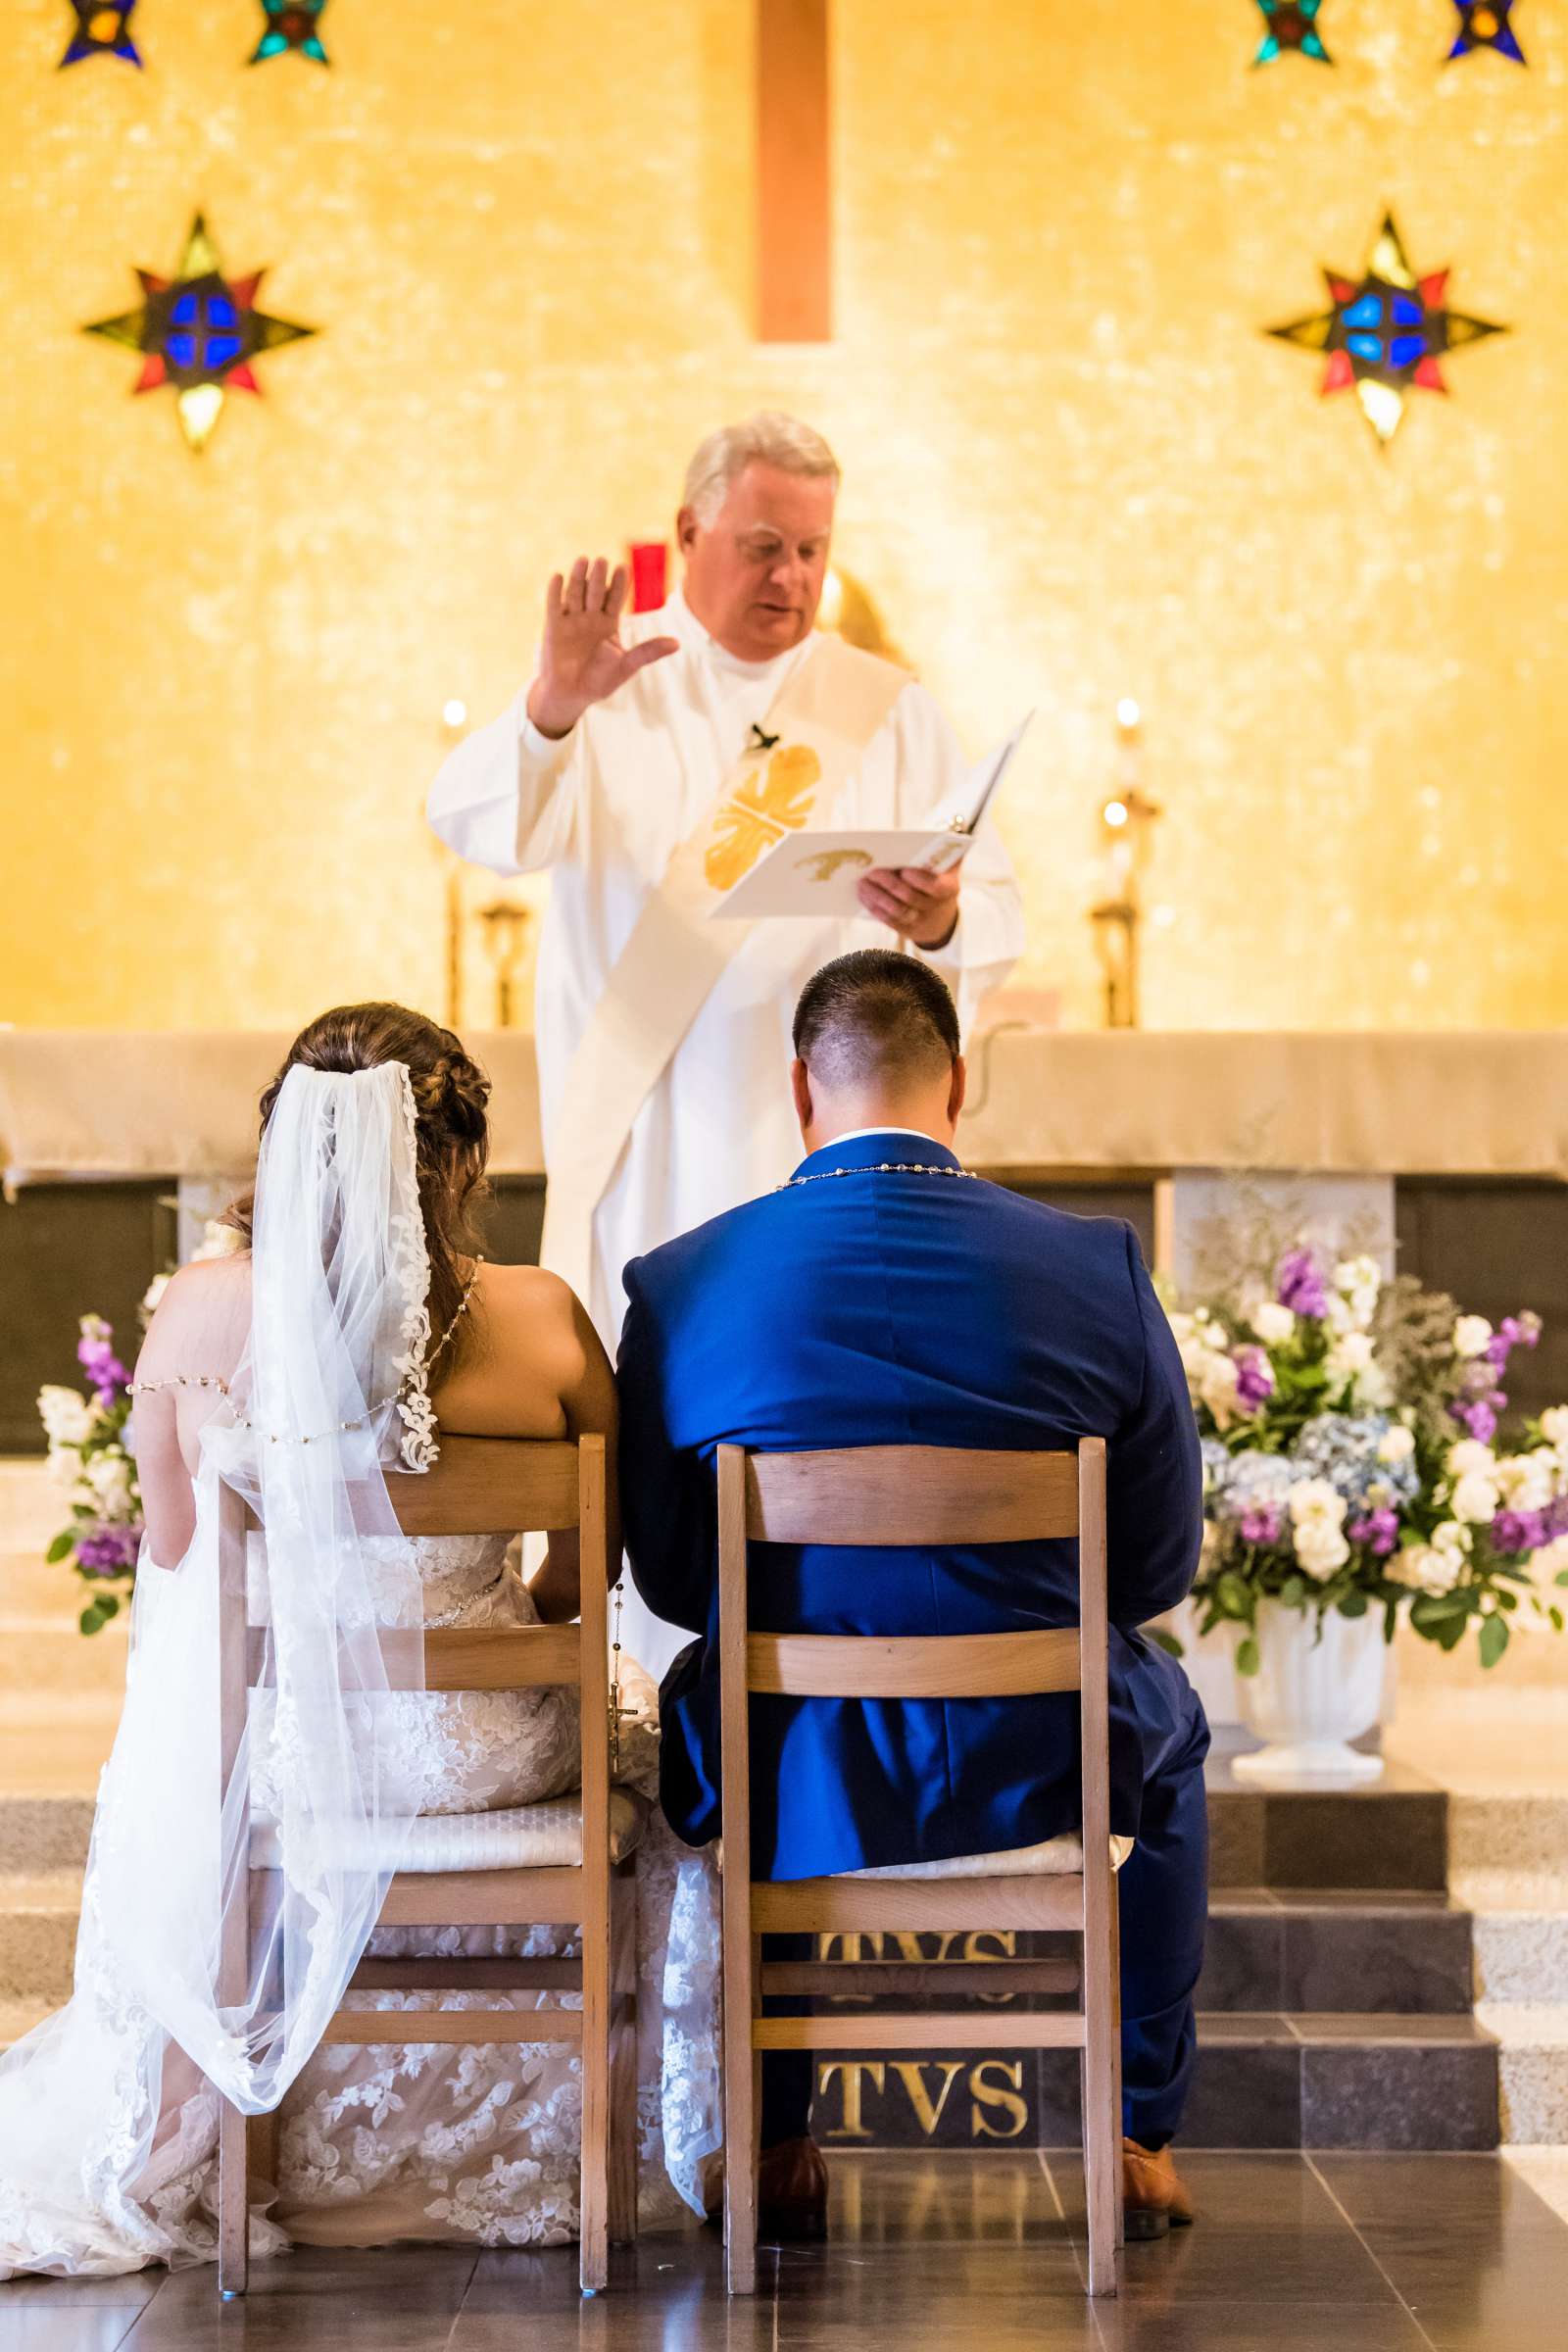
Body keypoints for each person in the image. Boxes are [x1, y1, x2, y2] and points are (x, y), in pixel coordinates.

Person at [0, 1004, 718, 2278]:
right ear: (465, 1161)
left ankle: (260, 2148)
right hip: (494, 1758)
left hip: (288, 1763)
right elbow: (576, 1582)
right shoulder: (546, 1320)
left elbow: (175, 1555)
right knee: (652, 1763)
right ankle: (593, 2147)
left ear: (282, 1145)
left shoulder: (198, 1321)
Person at [616, 950, 1208, 2242]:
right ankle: (1134, 2131)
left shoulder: (678, 1284)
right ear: (957, 1086)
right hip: (1047, 1747)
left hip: (798, 1757)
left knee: (716, 1695)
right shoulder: (1095, 1266)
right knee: (1171, 1734)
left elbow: (669, 1578)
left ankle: (776, 2140)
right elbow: (1159, 1564)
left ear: (798, 1090)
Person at [427, 412, 1025, 1676]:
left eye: (813, 550)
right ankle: (635, 1717)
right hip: (645, 1135)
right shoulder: (612, 693)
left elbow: (989, 899)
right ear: (689, 533)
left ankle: (789, 1703)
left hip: (817, 1153)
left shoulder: (888, 710)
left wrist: (948, 913)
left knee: (797, 1438)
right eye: (762, 547)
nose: (793, 580)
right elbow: (483, 828)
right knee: (639, 1442)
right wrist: (548, 709)